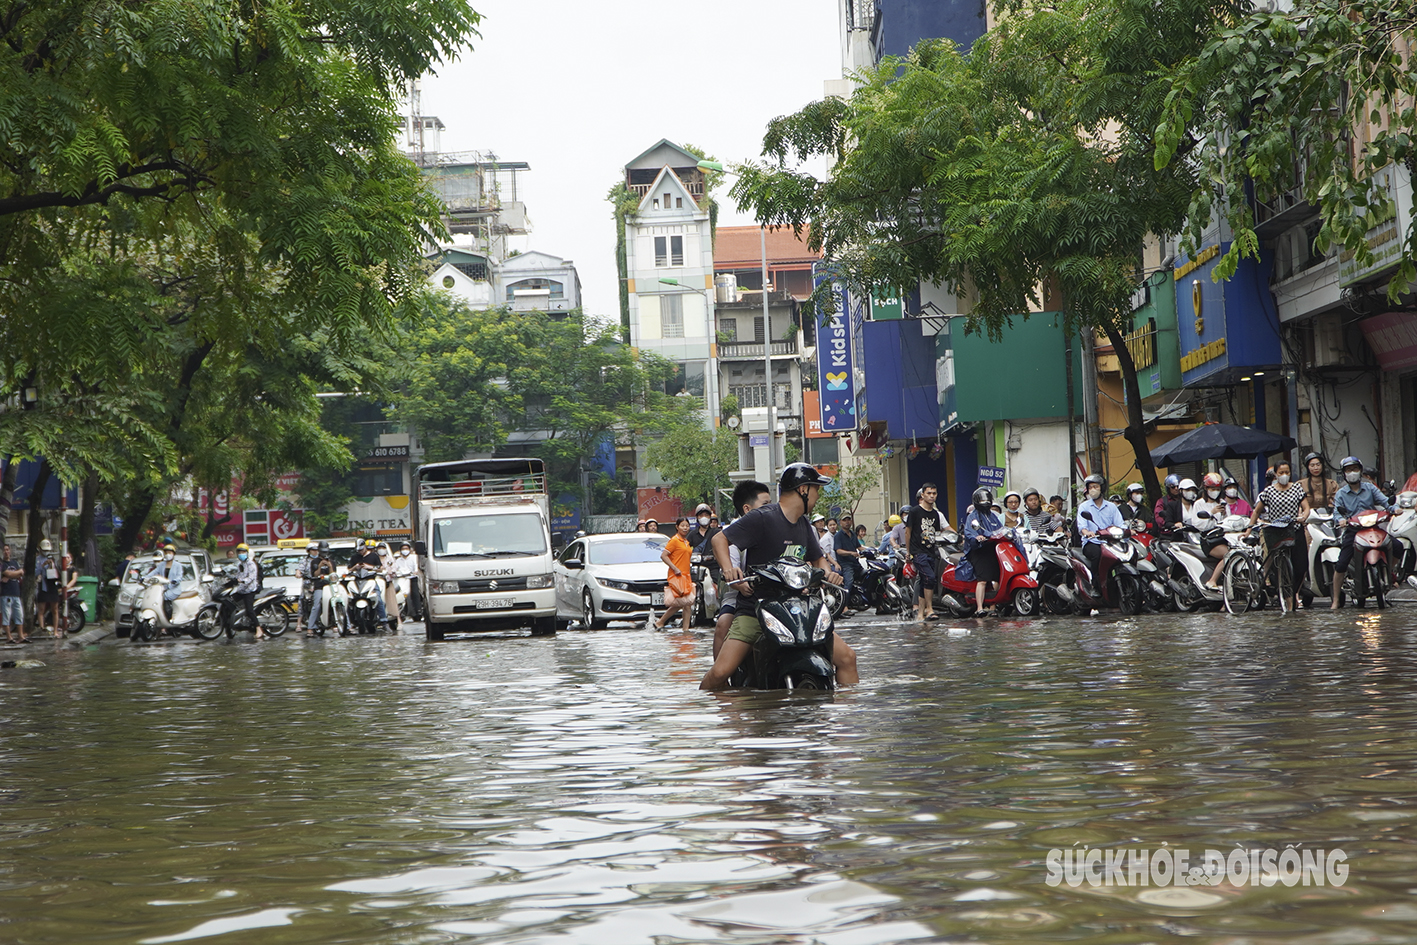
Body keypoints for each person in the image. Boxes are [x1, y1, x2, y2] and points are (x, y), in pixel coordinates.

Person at [699, 464, 855, 690]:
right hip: (756, 609)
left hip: (798, 610)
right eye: (816, 490)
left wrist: (829, 574)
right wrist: (728, 569)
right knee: (721, 672)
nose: (817, 496)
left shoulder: (804, 524)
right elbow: (719, 540)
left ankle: (844, 723)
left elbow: (818, 559)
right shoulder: (762, 517)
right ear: (803, 490)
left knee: (848, 658)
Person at [711, 480, 772, 659]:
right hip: (739, 593)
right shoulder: (731, 533)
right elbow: (730, 567)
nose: (771, 509)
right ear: (747, 509)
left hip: (769, 591)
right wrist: (738, 583)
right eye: (765, 505)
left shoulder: (773, 527)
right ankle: (720, 675)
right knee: (723, 624)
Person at [1330, 455, 1396, 608]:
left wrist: (1394, 509)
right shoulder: (1341, 493)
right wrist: (1340, 520)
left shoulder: (1370, 488)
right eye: (1348, 470)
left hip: (1373, 528)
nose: (1351, 472)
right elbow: (1336, 513)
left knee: (1397, 546)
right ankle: (1335, 599)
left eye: (1354, 469)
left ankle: (1389, 573)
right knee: (1341, 564)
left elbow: (1385, 502)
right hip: (1353, 531)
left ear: (1360, 471)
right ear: (1344, 473)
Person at [1245, 459, 1310, 612]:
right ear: (1275, 474)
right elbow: (1256, 511)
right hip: (1277, 531)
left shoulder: (1297, 489)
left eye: (1287, 472)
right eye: (1281, 473)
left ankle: (1293, 593)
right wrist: (1248, 529)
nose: (1284, 475)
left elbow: (1306, 507)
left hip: (1295, 529)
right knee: (1282, 568)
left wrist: (1304, 516)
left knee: (1301, 567)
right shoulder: (1268, 492)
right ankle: (1288, 601)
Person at [959, 488, 1015, 614]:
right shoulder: (972, 517)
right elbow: (969, 532)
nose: (985, 502)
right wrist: (977, 537)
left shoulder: (993, 516)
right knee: (983, 579)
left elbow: (1000, 529)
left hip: (993, 549)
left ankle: (993, 606)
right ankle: (979, 607)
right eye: (982, 499)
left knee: (997, 577)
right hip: (979, 551)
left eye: (987, 499)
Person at [904, 482, 949, 621]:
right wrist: (908, 551)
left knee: (925, 580)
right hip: (918, 551)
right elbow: (908, 532)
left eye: (934, 493)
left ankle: (920, 614)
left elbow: (938, 532)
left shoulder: (936, 514)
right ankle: (930, 609)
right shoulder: (915, 512)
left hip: (931, 551)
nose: (931, 496)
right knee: (929, 577)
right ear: (922, 495)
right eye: (929, 493)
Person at [1075, 474, 1126, 590]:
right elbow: (1082, 526)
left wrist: (1127, 531)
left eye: (1095, 487)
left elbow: (1120, 524)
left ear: (1102, 488)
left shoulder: (1112, 507)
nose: (1093, 490)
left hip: (1110, 542)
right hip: (1092, 542)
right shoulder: (1084, 507)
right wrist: (1087, 532)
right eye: (1090, 487)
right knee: (1097, 555)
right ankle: (1095, 585)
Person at [656, 518, 696, 631]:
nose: (685, 528)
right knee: (682, 601)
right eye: (682, 525)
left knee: (687, 603)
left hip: (686, 575)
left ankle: (685, 630)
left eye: (687, 526)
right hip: (677, 575)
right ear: (677, 527)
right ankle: (661, 621)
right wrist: (675, 568)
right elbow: (664, 555)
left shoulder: (686, 542)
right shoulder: (674, 540)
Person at [349, 538, 389, 626]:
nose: (360, 552)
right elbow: (349, 570)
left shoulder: (373, 556)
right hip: (357, 582)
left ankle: (383, 620)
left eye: (361, 550)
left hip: (370, 580)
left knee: (378, 598)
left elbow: (380, 568)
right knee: (349, 599)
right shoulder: (354, 557)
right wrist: (355, 567)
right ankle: (350, 621)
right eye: (358, 550)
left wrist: (370, 567)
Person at [143, 543, 185, 622]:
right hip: (162, 588)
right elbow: (154, 572)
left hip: (174, 588)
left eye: (170, 552)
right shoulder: (162, 564)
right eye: (166, 553)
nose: (168, 554)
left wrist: (174, 581)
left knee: (165, 597)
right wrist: (145, 578)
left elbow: (179, 576)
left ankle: (168, 618)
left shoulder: (178, 565)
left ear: (173, 554)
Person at [231, 543, 264, 639]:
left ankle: (259, 629)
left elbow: (251, 578)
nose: (241, 554)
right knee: (229, 602)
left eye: (243, 552)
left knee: (250, 610)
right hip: (241, 590)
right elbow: (238, 575)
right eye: (239, 552)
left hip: (250, 590)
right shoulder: (240, 564)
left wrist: (241, 581)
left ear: (247, 553)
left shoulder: (251, 564)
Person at [306, 542, 337, 634]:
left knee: (339, 600)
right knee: (317, 605)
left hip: (330, 586)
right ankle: (310, 627)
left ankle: (345, 625)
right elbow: (314, 574)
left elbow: (333, 574)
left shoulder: (332, 561)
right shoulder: (314, 562)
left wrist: (329, 565)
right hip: (319, 586)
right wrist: (320, 566)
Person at [2, 544, 26, 643]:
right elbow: (7, 573)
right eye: (4, 550)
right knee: (7, 615)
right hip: (6, 593)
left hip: (16, 593)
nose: (6, 552)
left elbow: (22, 572)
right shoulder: (2, 564)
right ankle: (9, 637)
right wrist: (15, 574)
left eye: (8, 549)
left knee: (19, 615)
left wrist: (12, 575)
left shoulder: (15, 563)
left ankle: (21, 636)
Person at [393, 541, 421, 622]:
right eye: (403, 548)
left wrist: (415, 571)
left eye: (406, 548)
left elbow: (416, 567)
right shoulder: (398, 560)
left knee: (415, 594)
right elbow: (395, 568)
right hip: (402, 579)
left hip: (412, 578)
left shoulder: (414, 557)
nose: (405, 550)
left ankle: (418, 611)